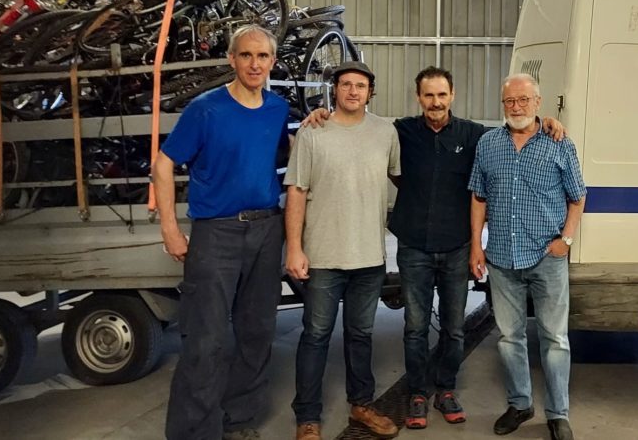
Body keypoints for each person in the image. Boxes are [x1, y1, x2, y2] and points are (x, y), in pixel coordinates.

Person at [303, 66, 564, 430]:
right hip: (413, 245)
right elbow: (361, 131)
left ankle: (445, 388)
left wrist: (545, 120)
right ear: (418, 98)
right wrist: (322, 115)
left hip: (457, 245)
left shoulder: (474, 135)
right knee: (415, 325)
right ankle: (418, 393)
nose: (435, 102)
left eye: (442, 95)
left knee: (455, 328)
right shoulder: (401, 131)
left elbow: (516, 131)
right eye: (428, 95)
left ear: (452, 96)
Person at [155, 25, 290, 440]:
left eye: (263, 57)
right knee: (205, 340)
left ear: (272, 61)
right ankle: (195, 432)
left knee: (256, 332)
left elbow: (289, 156)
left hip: (267, 229)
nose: (255, 64)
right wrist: (170, 230)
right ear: (231, 59)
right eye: (246, 56)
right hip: (216, 234)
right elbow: (163, 165)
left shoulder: (278, 108)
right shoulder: (205, 109)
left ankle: (238, 420)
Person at [285, 60, 401, 440]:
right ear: (334, 89)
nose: (353, 91)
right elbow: (296, 192)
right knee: (315, 335)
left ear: (371, 91)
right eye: (346, 84)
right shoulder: (313, 132)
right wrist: (295, 249)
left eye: (361, 85)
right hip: (322, 257)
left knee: (360, 335)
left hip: (369, 258)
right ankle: (307, 417)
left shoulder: (386, 132)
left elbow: (405, 179)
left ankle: (361, 405)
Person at [469, 73, 586, 440]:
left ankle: (558, 413)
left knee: (554, 338)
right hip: (502, 257)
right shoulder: (488, 144)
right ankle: (520, 404)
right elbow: (478, 197)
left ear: (538, 102)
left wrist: (566, 239)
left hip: (547, 256)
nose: (516, 107)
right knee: (509, 337)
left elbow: (577, 196)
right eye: (509, 102)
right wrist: (476, 245)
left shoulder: (559, 143)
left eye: (523, 100)